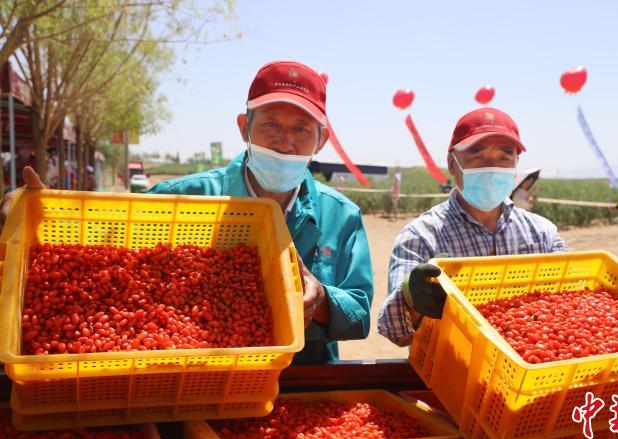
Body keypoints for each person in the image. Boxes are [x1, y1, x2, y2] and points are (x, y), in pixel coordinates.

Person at [1, 61, 374, 364]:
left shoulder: (341, 216)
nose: (285, 142)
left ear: (321, 139)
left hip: (303, 388)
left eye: (302, 129)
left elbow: (359, 315)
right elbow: (109, 253)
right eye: (271, 124)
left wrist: (321, 300)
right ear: (245, 127)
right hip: (192, 377)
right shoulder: (183, 198)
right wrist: (43, 216)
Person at [377, 107, 567, 347]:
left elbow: (572, 305)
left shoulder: (543, 233)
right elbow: (395, 332)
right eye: (477, 155)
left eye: (504, 156)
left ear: (516, 163)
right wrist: (410, 298)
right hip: (453, 370)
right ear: (452, 163)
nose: (491, 166)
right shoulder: (421, 237)